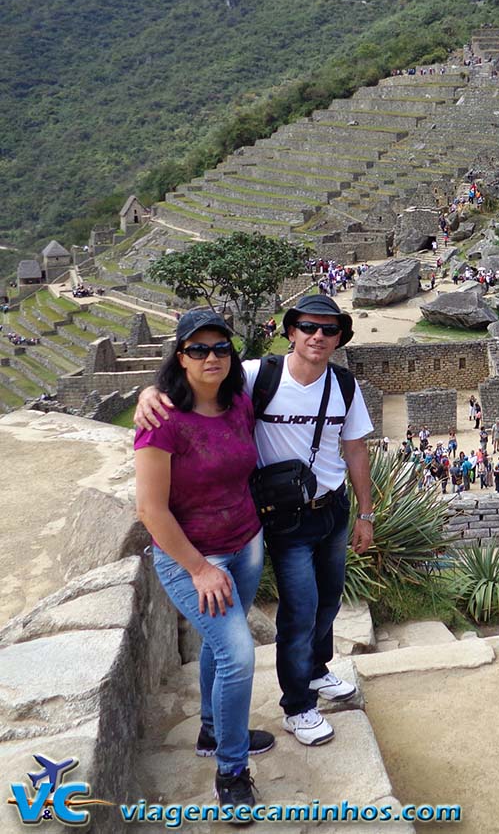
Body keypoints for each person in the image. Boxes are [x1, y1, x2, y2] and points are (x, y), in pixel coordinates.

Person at [136, 294, 375, 750]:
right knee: (299, 609)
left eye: (329, 329)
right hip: (283, 520)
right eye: (308, 326)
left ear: (340, 337)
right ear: (291, 332)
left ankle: (317, 670)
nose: (318, 336)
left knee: (327, 602)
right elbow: (195, 381)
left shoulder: (345, 386)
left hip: (333, 509)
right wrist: (152, 392)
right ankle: (298, 706)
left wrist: (365, 514)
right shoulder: (255, 376)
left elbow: (356, 449)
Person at [134, 310, 269, 817]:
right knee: (238, 654)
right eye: (197, 349)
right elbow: (150, 509)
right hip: (192, 558)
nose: (210, 357)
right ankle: (231, 771)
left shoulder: (238, 403)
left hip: (246, 543)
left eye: (219, 348)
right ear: (180, 356)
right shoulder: (162, 421)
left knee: (218, 647)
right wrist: (199, 568)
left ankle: (214, 730)